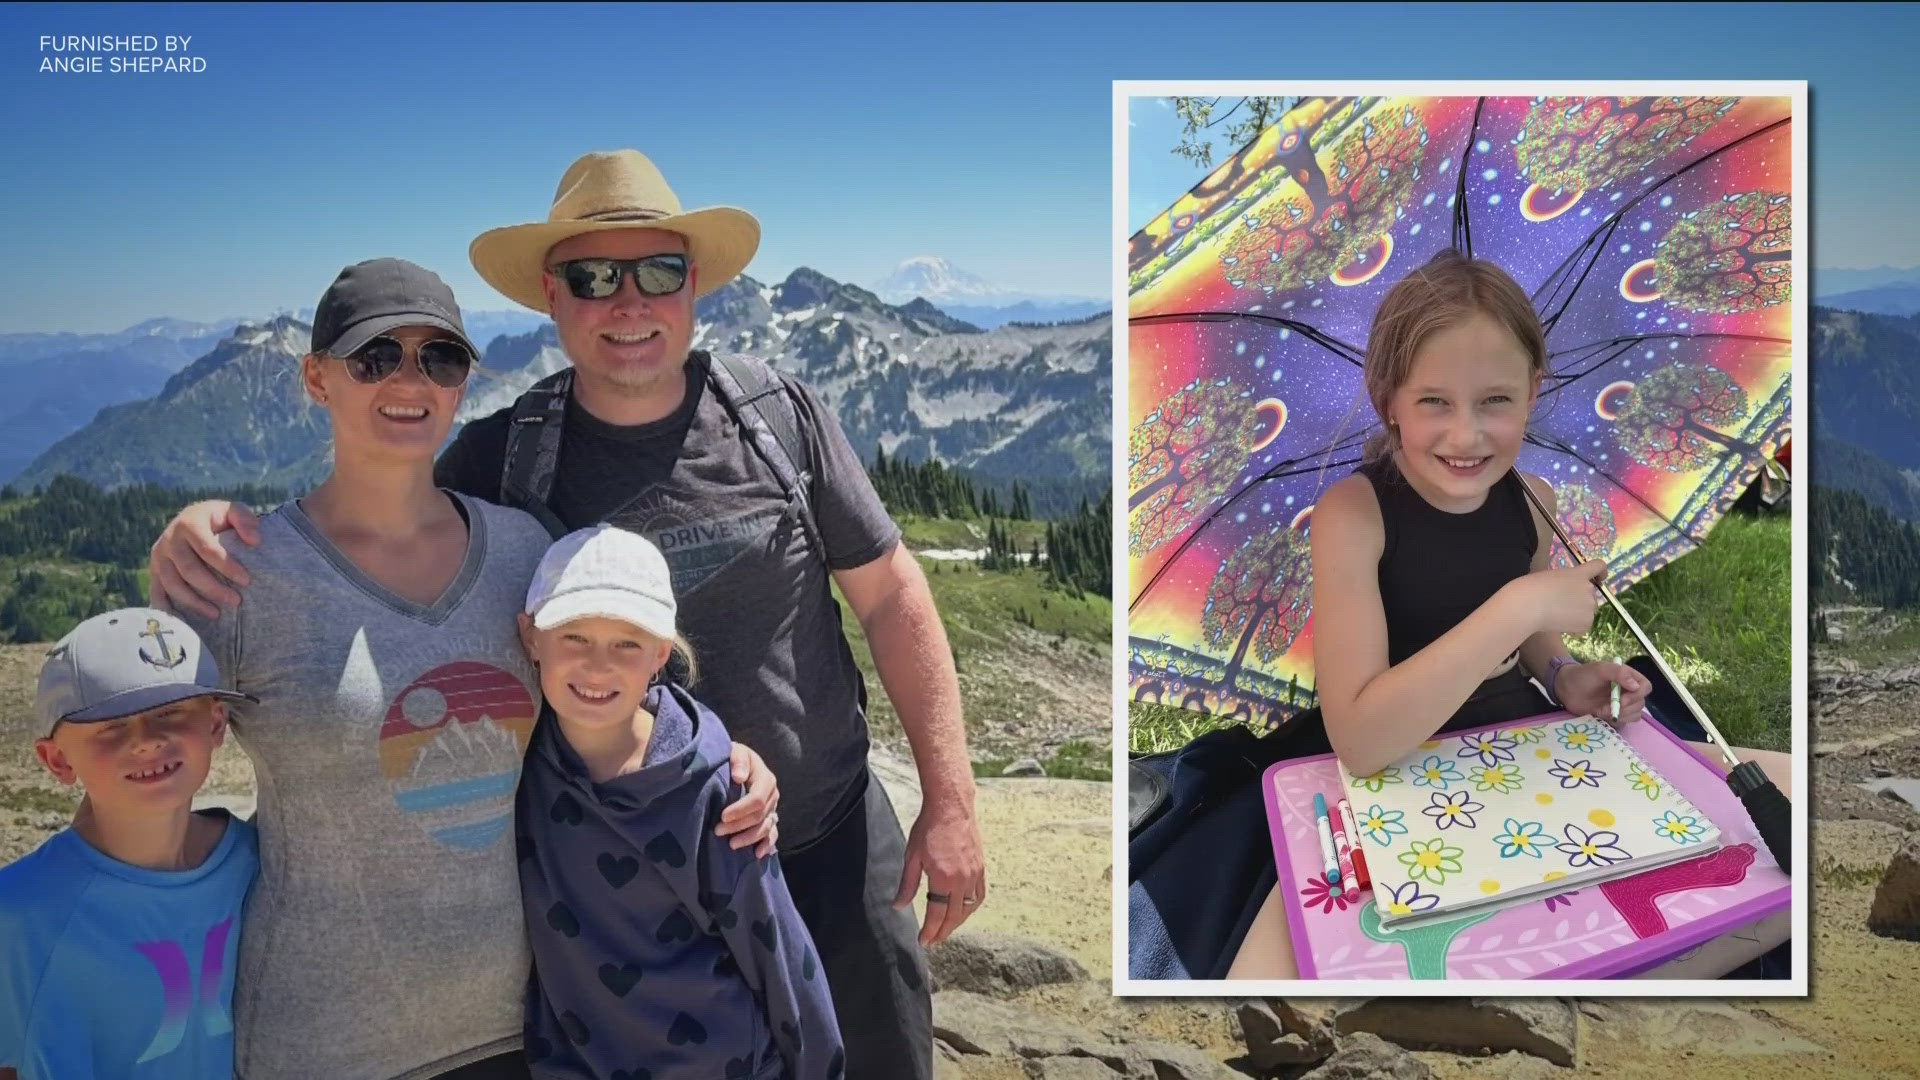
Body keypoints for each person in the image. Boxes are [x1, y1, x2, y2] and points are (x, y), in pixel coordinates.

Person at [151, 152, 982, 1078]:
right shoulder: (499, 462)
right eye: (593, 277)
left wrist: (949, 803)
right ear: (552, 295)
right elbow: (382, 509)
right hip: (635, 890)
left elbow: (894, 595)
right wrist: (209, 530)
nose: (629, 302)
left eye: (657, 271)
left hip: (828, 841)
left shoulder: (775, 416)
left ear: (693, 284)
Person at [163, 258, 778, 1079]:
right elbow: (143, 771)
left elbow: (612, 692)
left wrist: (719, 763)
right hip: (320, 1041)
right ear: (316, 378)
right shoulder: (241, 574)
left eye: (440, 358)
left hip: (527, 1028)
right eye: (374, 356)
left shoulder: (520, 551)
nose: (409, 380)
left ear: (462, 383)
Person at [1224, 249, 1793, 978]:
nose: (1466, 436)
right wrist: (1518, 604)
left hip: (1526, 751)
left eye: (1496, 400)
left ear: (1534, 391)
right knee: (1286, 970)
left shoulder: (1533, 503)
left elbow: (1538, 653)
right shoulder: (1354, 515)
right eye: (1434, 402)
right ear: (1387, 399)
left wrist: (1567, 678)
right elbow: (1362, 738)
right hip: (1389, 780)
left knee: (1786, 811)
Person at [516, 524, 842, 1080]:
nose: (599, 665)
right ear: (531, 638)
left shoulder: (717, 794)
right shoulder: (520, 761)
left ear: (660, 654)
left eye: (627, 643)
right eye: (574, 636)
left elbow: (778, 949)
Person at [0, 608, 257, 1079]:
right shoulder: (18, 911)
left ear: (216, 725)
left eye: (170, 712)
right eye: (111, 726)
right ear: (56, 759)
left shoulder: (257, 862)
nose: (146, 741)